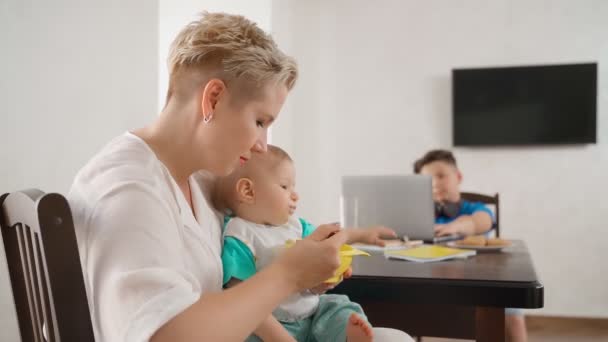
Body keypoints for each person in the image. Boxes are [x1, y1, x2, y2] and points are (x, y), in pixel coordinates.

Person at [68, 11, 411, 342]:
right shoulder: (129, 187)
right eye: (260, 121)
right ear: (213, 99)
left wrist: (299, 279)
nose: (262, 146)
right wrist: (287, 274)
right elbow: (167, 335)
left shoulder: (199, 182)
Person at [215, 145, 396, 341]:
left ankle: (346, 334)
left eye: (294, 187)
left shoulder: (297, 226)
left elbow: (330, 241)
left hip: (312, 314)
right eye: (285, 186)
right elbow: (244, 302)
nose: (295, 195)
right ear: (248, 191)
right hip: (270, 326)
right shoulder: (240, 236)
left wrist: (322, 281)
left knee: (337, 304)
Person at [413, 149, 527, 342]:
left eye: (441, 175)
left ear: (458, 177)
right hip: (431, 285)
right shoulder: (419, 214)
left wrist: (457, 226)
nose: (435, 183)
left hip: (477, 285)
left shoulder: (474, 209)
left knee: (511, 306)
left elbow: (482, 221)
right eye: (428, 180)